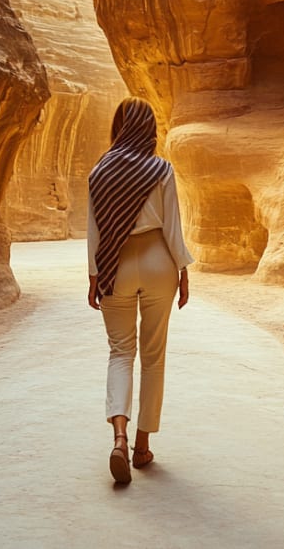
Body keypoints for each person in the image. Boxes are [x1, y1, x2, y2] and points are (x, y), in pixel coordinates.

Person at [87, 96, 193, 485]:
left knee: (119, 353)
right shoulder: (160, 169)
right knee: (153, 356)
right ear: (149, 129)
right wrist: (182, 269)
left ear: (118, 126)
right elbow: (171, 226)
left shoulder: (99, 171)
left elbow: (94, 230)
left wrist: (94, 276)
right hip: (157, 260)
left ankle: (118, 436)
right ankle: (142, 446)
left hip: (114, 263)